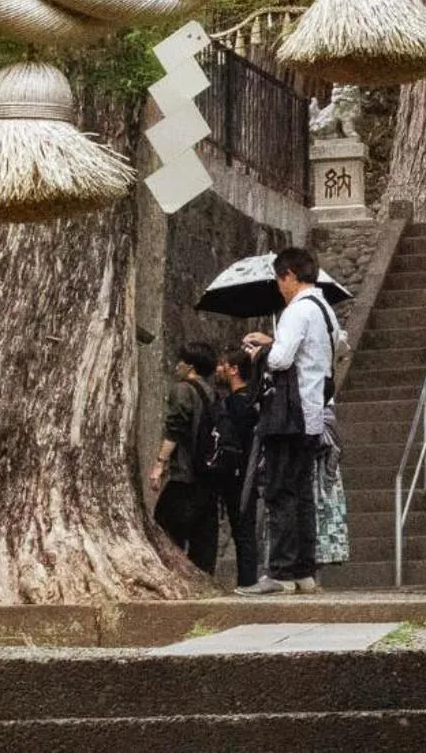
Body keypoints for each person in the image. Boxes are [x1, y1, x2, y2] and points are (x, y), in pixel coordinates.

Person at [235, 247, 339, 595]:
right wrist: (275, 341)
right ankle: (304, 572)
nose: (280, 287)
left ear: (291, 276)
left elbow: (280, 360)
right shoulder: (325, 310)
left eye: (281, 280)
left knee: (280, 491)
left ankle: (280, 573)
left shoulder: (297, 311)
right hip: (313, 413)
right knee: (302, 494)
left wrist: (261, 350)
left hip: (287, 415)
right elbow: (329, 348)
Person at [148, 342, 219, 575]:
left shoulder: (182, 390)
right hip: (207, 473)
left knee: (164, 524)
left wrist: (160, 462)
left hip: (185, 470)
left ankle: (173, 574)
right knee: (203, 535)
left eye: (181, 361)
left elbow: (175, 429)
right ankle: (202, 575)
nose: (177, 365)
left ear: (190, 366)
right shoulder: (211, 393)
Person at [211, 346, 260, 591]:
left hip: (237, 472)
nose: (218, 369)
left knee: (242, 528)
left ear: (234, 370)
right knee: (245, 527)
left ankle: (248, 580)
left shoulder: (234, 403)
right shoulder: (254, 400)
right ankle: (247, 579)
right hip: (249, 469)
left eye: (223, 364)